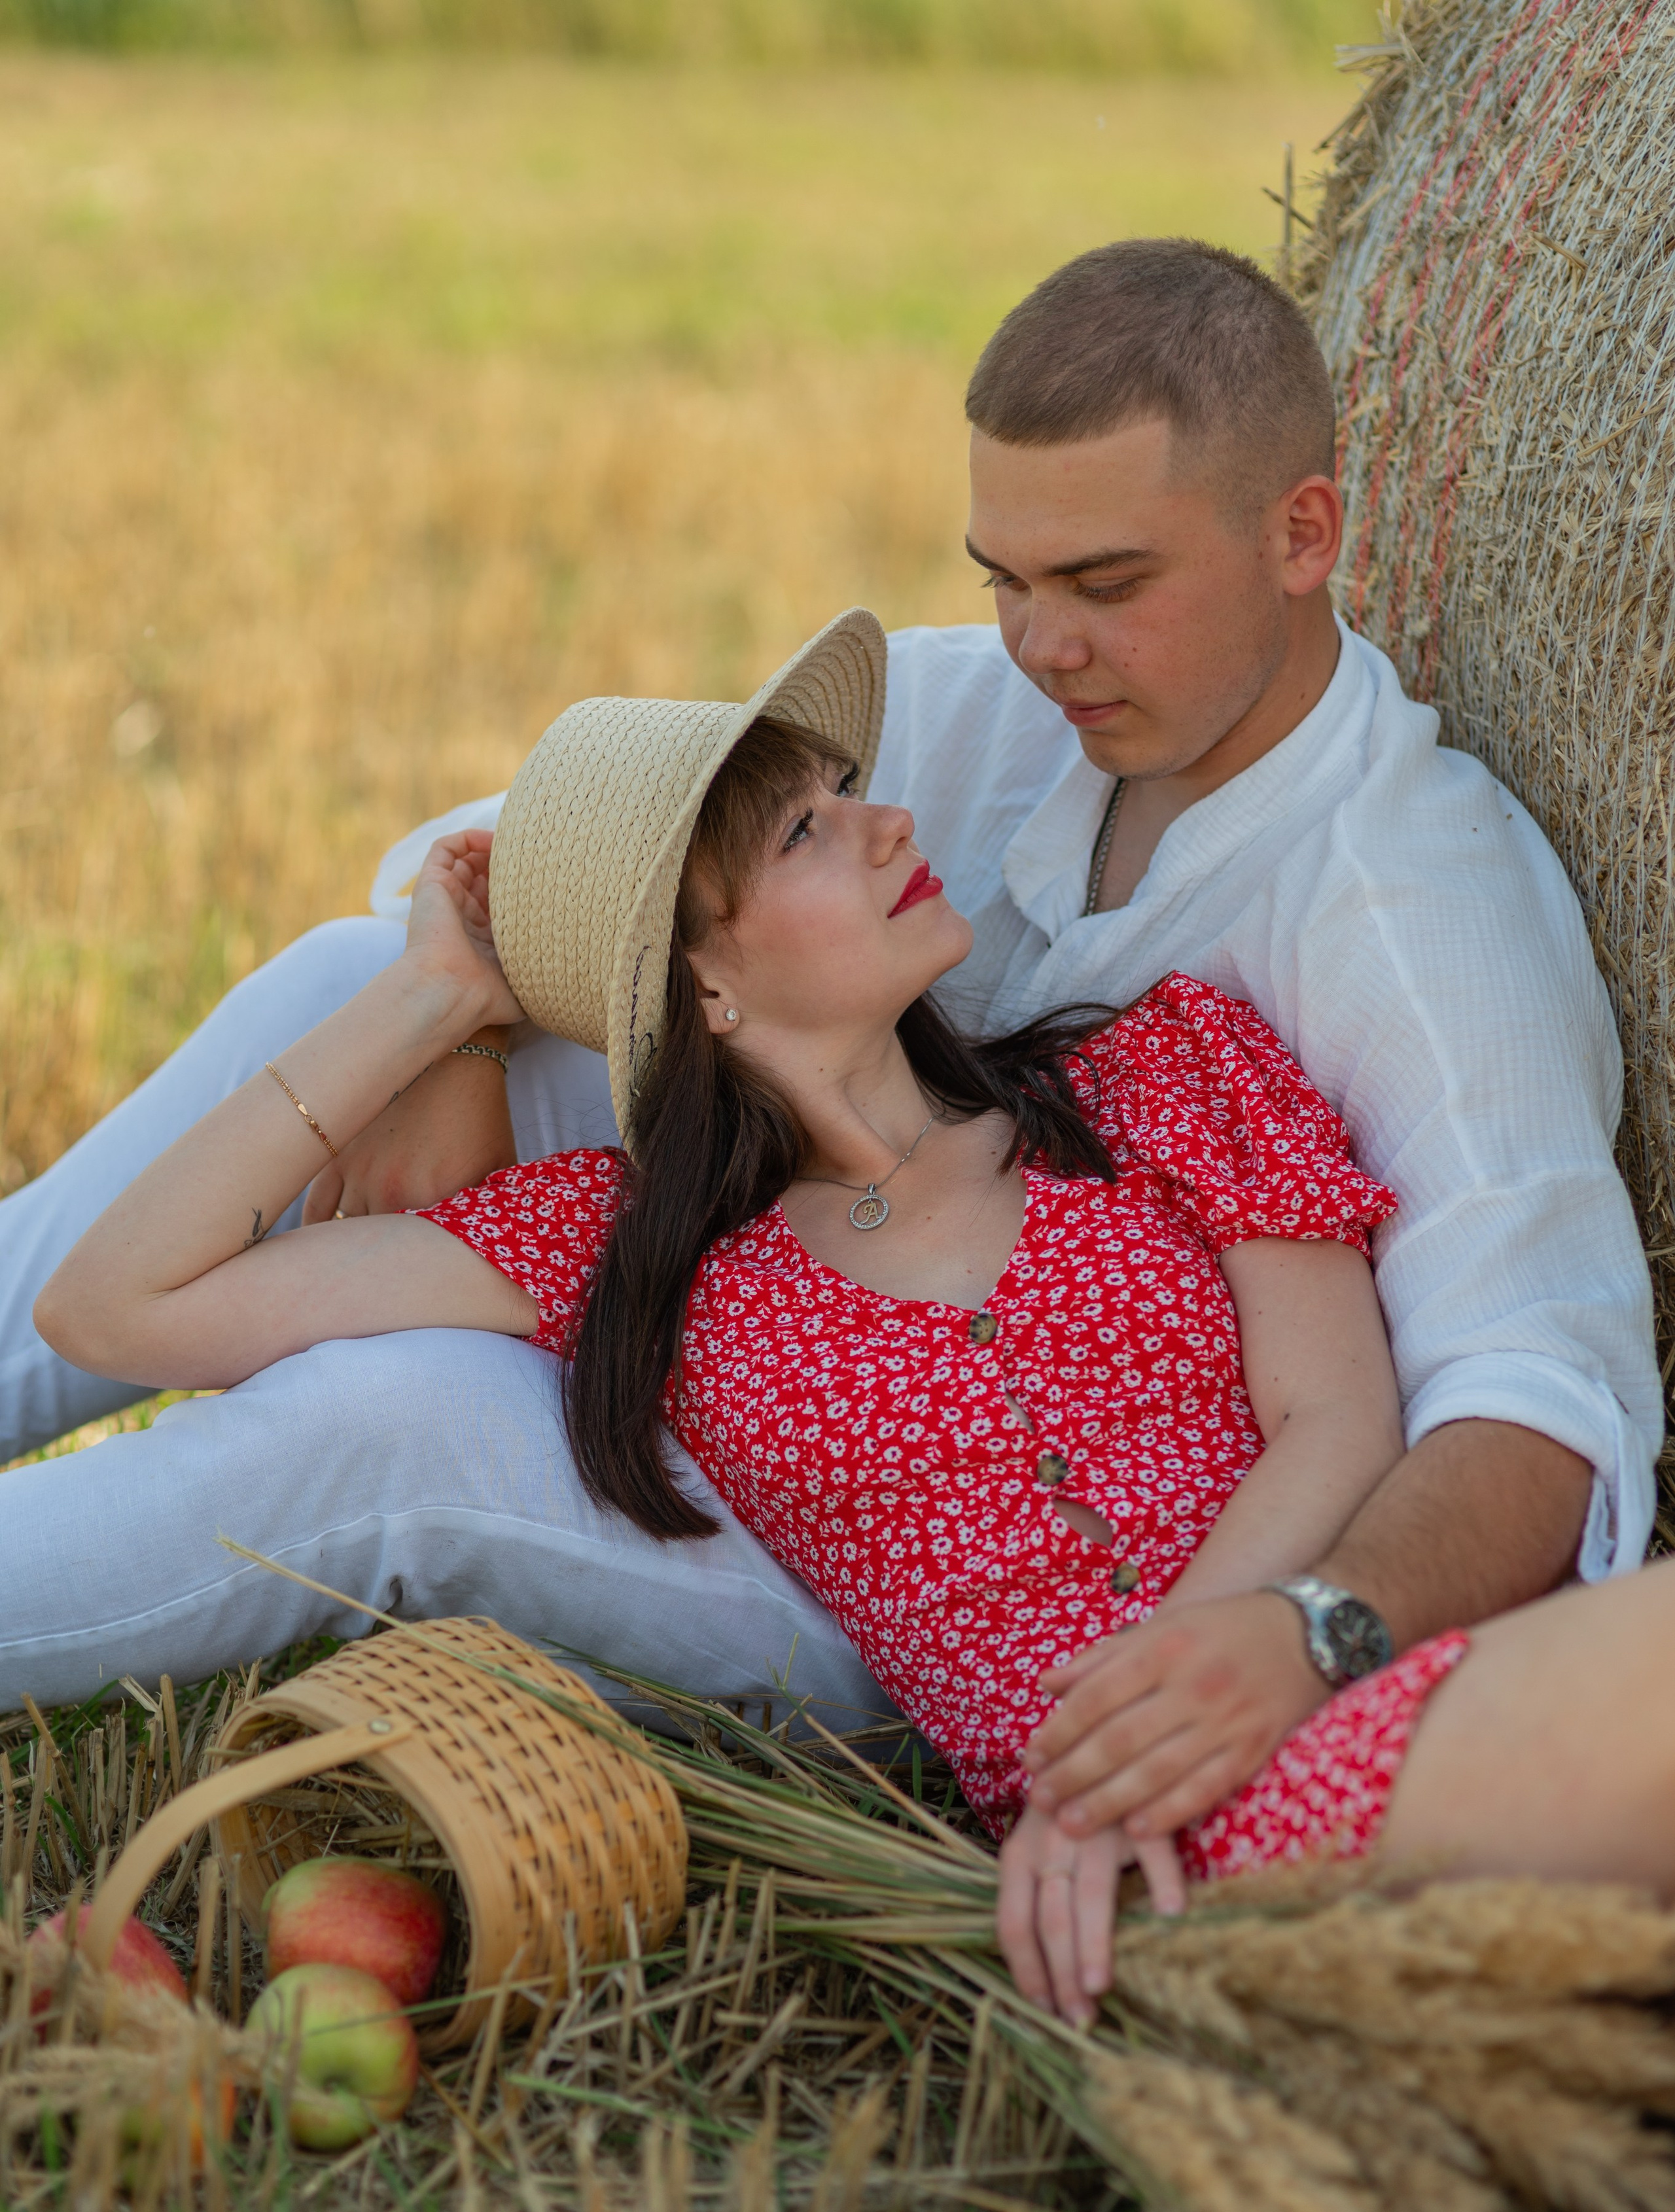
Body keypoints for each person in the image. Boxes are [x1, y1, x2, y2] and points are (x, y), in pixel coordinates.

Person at [0, 242, 1658, 1847]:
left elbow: (1535, 1406)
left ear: (1303, 533)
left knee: (396, 1413)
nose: (1039, 647)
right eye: (1001, 580)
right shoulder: (1000, 708)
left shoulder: (1412, 930)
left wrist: (1289, 1641)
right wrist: (454, 1034)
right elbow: (562, 860)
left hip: (1006, 1616)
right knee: (333, 989)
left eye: (1104, 585)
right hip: (791, 1370)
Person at [1, 612, 1523, 2017]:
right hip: (1189, 1810)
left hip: (1327, 1676)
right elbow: (115, 1305)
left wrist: (1175, 1695)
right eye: (812, 827)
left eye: (846, 795)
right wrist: (430, 1006)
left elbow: (1335, 1419)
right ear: (704, 980)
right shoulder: (630, 1240)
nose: (895, 825)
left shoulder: (1154, 1073)